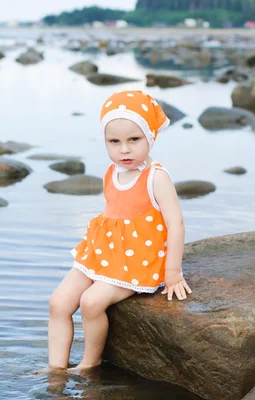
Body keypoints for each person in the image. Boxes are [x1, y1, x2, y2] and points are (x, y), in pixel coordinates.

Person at [47, 90, 192, 371]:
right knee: (58, 302)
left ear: (150, 137)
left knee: (91, 302)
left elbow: (176, 224)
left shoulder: (156, 178)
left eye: (134, 140)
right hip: (102, 251)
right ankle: (55, 370)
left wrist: (172, 273)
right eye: (114, 142)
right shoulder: (111, 172)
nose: (124, 150)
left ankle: (88, 365)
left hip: (136, 259)